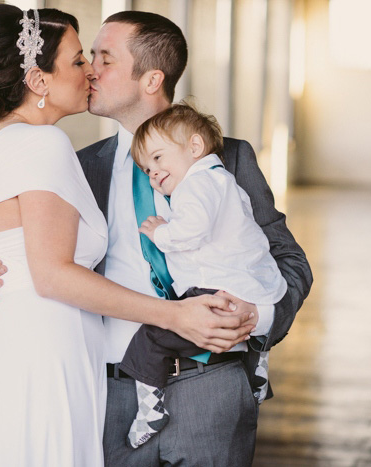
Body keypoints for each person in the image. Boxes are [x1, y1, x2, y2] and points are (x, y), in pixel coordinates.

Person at [0, 10, 313, 466]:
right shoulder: (79, 166)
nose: (91, 71)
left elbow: (288, 260)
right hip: (111, 393)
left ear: (151, 78)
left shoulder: (229, 157)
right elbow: (34, 265)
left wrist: (252, 318)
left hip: (211, 385)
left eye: (103, 58)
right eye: (84, 58)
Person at [118, 102, 288, 448]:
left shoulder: (196, 185)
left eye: (158, 159)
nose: (152, 173)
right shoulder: (219, 180)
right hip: (247, 283)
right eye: (147, 168)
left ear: (195, 148)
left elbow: (191, 230)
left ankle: (151, 408)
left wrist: (159, 233)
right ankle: (258, 370)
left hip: (213, 288)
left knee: (149, 340)